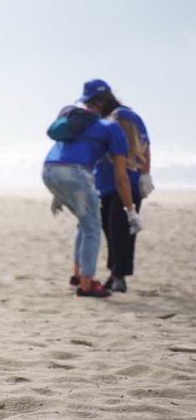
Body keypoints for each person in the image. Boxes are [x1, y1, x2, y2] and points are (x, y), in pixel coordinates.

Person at [42, 79, 140, 297]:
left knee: (85, 223)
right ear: (107, 101)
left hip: (49, 171)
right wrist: (131, 211)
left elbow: (63, 156)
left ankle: (77, 274)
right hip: (75, 173)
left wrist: (59, 194)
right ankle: (86, 285)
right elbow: (121, 177)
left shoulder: (74, 123)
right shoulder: (112, 128)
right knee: (93, 228)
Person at [91, 86, 152, 293]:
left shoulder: (123, 116)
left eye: (91, 103)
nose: (88, 107)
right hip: (107, 185)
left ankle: (119, 276)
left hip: (127, 182)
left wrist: (145, 174)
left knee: (120, 230)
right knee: (110, 229)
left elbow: (143, 145)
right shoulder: (103, 121)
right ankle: (115, 273)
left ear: (102, 100)